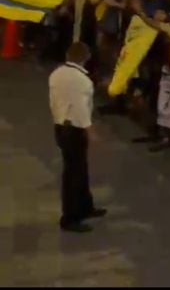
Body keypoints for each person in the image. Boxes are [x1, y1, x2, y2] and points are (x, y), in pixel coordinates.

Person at [49, 42, 107, 233]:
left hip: (60, 125)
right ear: (86, 57)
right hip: (74, 128)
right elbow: (80, 108)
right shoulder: (82, 81)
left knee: (78, 168)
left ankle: (84, 207)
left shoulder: (56, 74)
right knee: (74, 172)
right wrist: (90, 131)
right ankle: (70, 217)